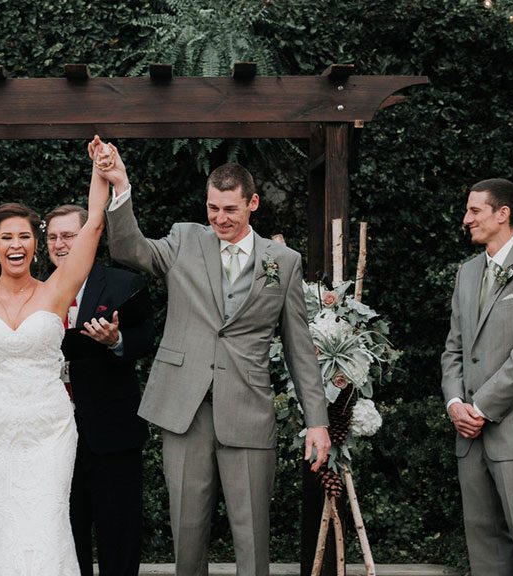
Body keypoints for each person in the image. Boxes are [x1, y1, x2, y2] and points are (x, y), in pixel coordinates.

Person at [92, 137, 330, 576]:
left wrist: (316, 421)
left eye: (230, 210)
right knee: (187, 536)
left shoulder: (285, 261)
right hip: (185, 410)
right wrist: (120, 185)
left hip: (249, 410)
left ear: (253, 203)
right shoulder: (184, 239)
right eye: (212, 208)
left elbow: (300, 348)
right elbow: (131, 250)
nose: (220, 218)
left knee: (253, 539)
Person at [0, 149, 110, 576]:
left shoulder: (57, 290)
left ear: (37, 244)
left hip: (49, 429)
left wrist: (98, 171)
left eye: (25, 237)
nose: (17, 245)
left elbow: (93, 227)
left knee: (47, 521)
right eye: (7, 238)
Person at [44, 204, 154, 576]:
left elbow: (146, 337)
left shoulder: (124, 283)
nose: (60, 244)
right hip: (52, 435)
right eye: (52, 237)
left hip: (111, 431)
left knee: (118, 536)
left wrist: (116, 340)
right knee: (64, 536)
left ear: (90, 235)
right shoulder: (37, 291)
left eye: (68, 235)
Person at [442, 178, 513, 576]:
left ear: (502, 213)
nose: (466, 219)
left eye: (475, 211)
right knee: (485, 553)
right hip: (469, 439)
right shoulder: (467, 274)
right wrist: (456, 404)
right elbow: (453, 349)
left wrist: (480, 407)